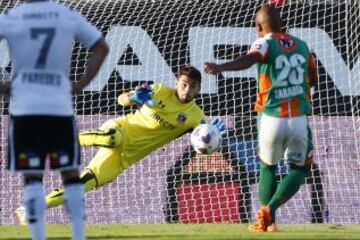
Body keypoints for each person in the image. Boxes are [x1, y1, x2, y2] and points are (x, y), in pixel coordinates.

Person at [15, 65, 226, 222]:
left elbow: (203, 144)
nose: (187, 89)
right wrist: (135, 96)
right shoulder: (160, 90)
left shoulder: (196, 117)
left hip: (124, 158)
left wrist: (215, 135)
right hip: (120, 130)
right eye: (184, 84)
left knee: (83, 184)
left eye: (193, 86)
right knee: (111, 138)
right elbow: (121, 100)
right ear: (177, 83)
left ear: (199, 89)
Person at [0, 0, 109, 239]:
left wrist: (2, 85)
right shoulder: (66, 14)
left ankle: (39, 237)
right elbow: (101, 47)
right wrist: (81, 84)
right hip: (58, 107)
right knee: (70, 171)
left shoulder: (11, 16)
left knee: (32, 175)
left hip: (25, 108)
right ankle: (78, 235)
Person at [204, 4, 317, 232]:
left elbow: (251, 58)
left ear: (258, 26)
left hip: (270, 118)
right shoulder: (303, 46)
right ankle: (270, 210)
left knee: (268, 168)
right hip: (297, 118)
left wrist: (221, 66)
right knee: (300, 168)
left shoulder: (265, 42)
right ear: (282, 24)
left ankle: (268, 220)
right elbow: (312, 73)